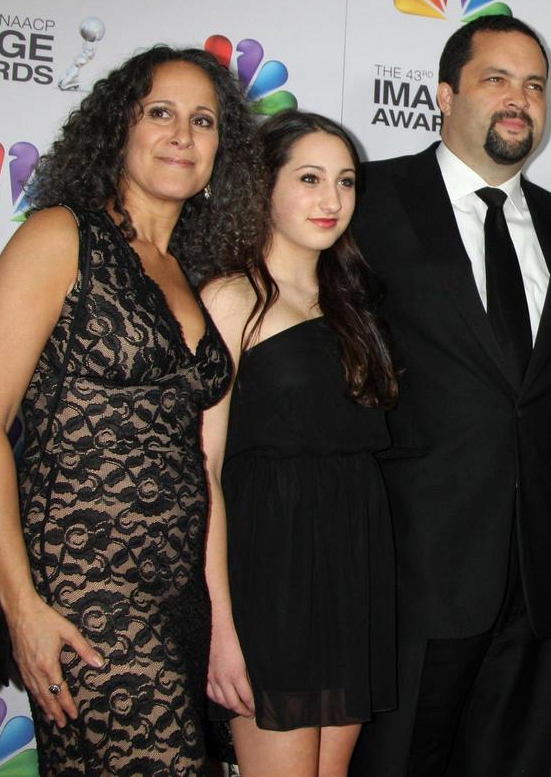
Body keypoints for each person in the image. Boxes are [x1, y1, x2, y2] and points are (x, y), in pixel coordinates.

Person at [0, 46, 260, 771]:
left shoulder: (190, 272)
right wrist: (22, 605)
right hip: (87, 588)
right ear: (119, 130)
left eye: (203, 121)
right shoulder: (61, 236)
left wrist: (219, 623)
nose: (182, 135)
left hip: (176, 595)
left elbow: (200, 470)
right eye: (160, 113)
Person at [349, 14, 551, 776]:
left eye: (535, 85)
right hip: (412, 571)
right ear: (444, 93)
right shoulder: (368, 203)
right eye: (496, 79)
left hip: (537, 580)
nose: (518, 99)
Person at [201, 112, 399, 775]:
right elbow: (202, 470)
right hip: (267, 580)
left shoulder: (354, 305)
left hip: (349, 574)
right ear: (263, 186)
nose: (331, 200)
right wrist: (220, 630)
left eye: (344, 182)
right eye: (309, 178)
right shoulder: (232, 299)